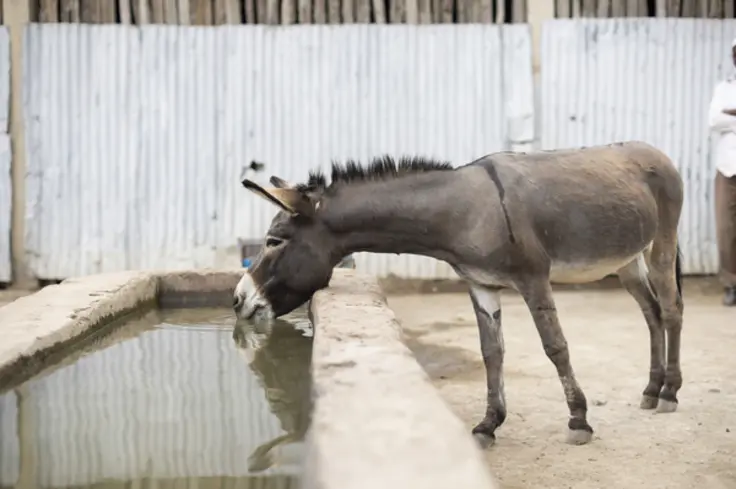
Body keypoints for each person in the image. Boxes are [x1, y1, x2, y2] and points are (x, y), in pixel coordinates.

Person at [707, 38, 736, 306]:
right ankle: (731, 284)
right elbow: (714, 120)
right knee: (727, 228)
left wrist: (734, 115)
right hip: (728, 167)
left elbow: (725, 120)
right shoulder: (725, 88)